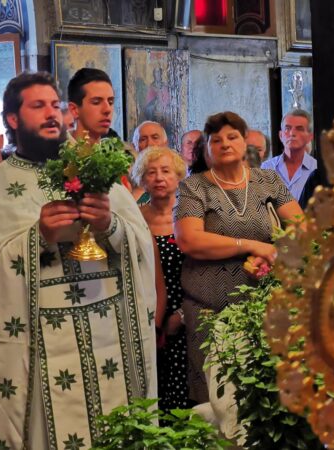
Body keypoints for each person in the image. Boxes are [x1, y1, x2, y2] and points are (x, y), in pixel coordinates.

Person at [0, 72, 157, 449]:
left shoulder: (95, 169)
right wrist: (38, 237)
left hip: (108, 335)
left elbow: (141, 242)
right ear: (13, 119)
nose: (51, 114)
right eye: (38, 106)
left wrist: (109, 224)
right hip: (37, 343)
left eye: (54, 105)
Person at [174, 111, 304, 403]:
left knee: (265, 397)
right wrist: (251, 245)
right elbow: (189, 240)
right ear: (206, 148)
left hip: (263, 307)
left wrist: (273, 254)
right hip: (211, 312)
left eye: (232, 137)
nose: (225, 144)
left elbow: (303, 230)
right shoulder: (193, 187)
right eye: (215, 140)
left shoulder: (268, 181)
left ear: (246, 142)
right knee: (218, 400)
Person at [132, 147, 192, 410]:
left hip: (188, 310)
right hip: (149, 311)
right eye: (151, 172)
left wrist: (181, 314)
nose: (159, 178)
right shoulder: (135, 217)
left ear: (178, 176)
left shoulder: (191, 215)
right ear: (142, 180)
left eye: (166, 171)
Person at [261, 109, 317, 201]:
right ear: (280, 135)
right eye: (287, 128)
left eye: (299, 129)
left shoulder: (316, 168)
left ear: (310, 137)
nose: (292, 133)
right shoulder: (266, 168)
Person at [68, 68, 114, 143]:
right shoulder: (56, 149)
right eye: (96, 102)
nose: (107, 109)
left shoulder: (119, 149)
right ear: (74, 110)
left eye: (110, 102)